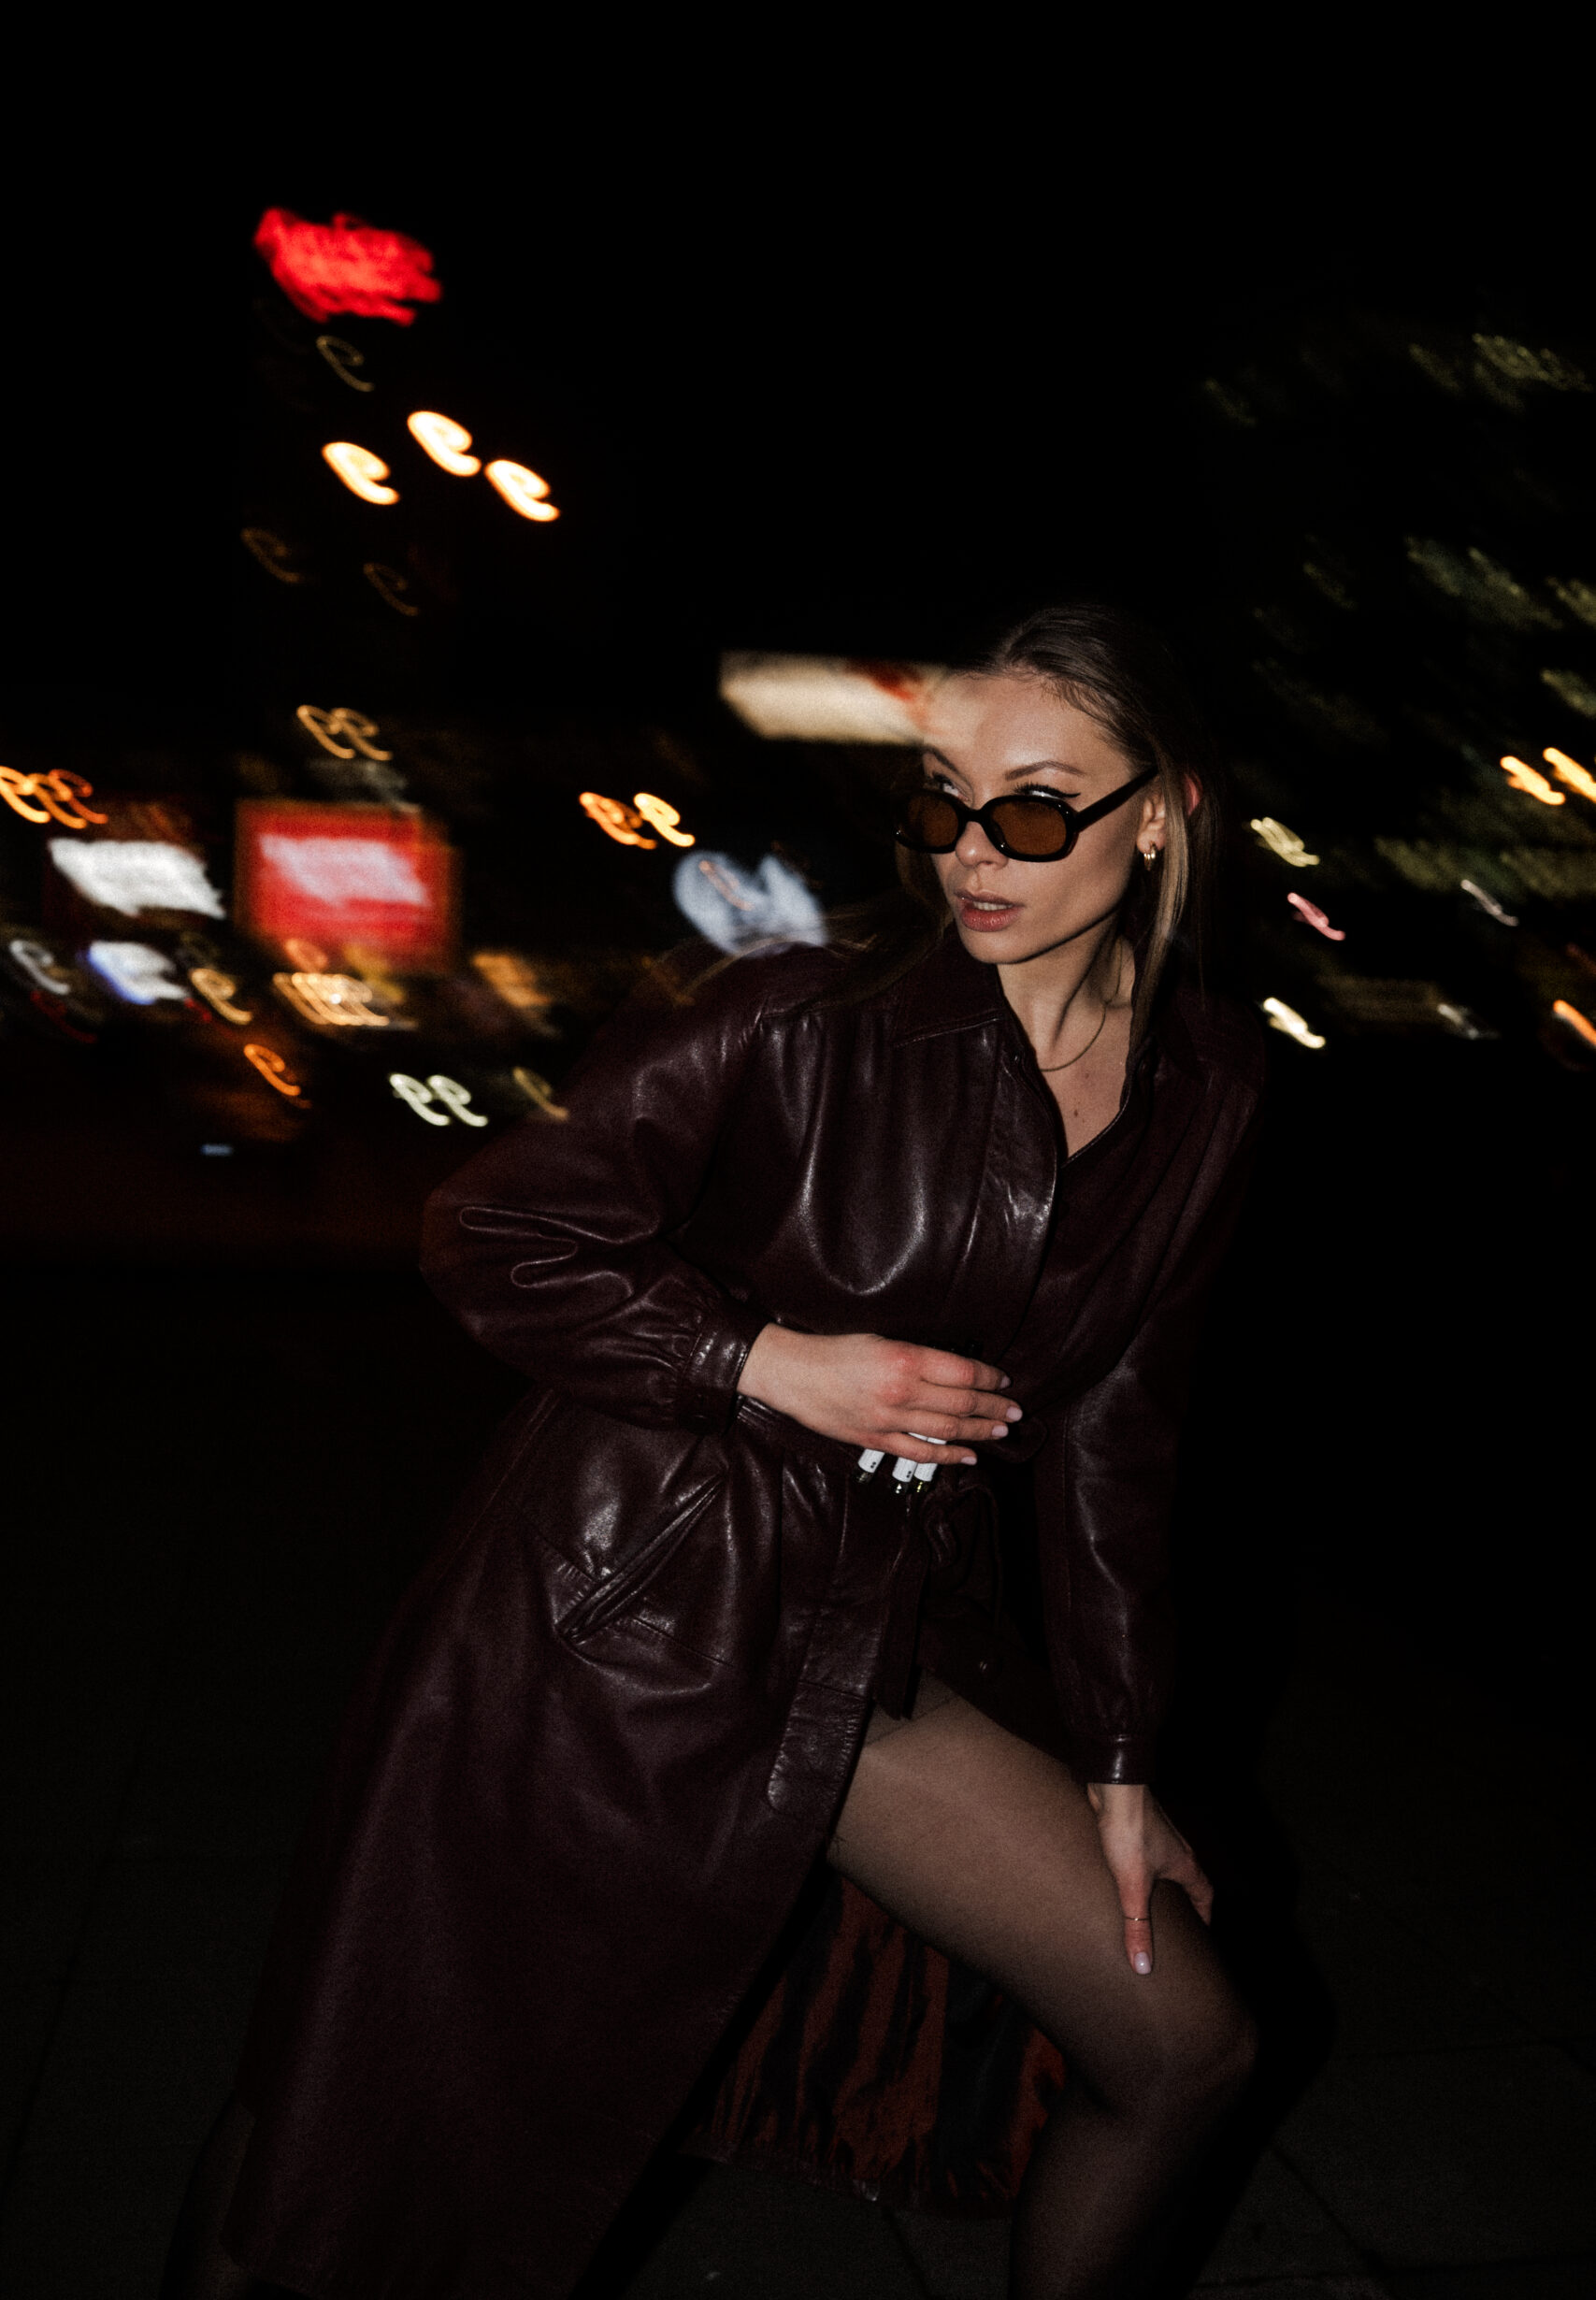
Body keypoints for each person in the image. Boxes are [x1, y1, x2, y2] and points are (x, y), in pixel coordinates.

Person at [166, 602, 1264, 2300]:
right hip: (618, 1625)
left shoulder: (1205, 1087)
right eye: (941, 797)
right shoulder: (798, 1010)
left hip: (872, 1651)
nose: (973, 852)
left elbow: (1119, 1434)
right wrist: (762, 1361)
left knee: (1183, 2047)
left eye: (1038, 807)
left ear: (1166, 813)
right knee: (376, 2107)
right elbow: (492, 1231)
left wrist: (1121, 1765)